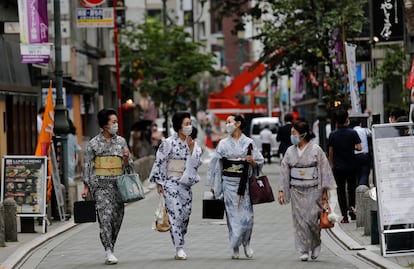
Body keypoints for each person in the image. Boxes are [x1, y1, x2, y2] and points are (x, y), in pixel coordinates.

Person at [206, 114, 264, 259]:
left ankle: (247, 243)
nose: (227, 125)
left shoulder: (249, 142)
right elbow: (214, 163)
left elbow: (259, 161)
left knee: (248, 218)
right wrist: (213, 184)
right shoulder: (223, 143)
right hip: (228, 184)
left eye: (229, 122)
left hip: (244, 185)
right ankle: (235, 248)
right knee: (232, 219)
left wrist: (252, 161)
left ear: (238, 124)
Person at [278, 120, 337, 261]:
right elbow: (284, 171)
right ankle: (303, 249)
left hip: (313, 189)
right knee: (299, 221)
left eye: (294, 133)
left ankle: (316, 243)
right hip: (296, 190)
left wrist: (324, 191)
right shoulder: (289, 151)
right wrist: (282, 190)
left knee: (311, 220)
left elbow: (324, 169)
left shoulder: (316, 150)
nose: (291, 135)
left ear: (303, 134)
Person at [81, 108, 133, 265]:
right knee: (105, 217)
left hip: (119, 185)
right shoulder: (93, 144)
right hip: (101, 186)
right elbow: (88, 165)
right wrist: (86, 187)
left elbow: (129, 166)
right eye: (113, 122)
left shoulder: (121, 142)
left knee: (117, 218)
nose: (116, 125)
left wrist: (126, 159)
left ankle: (111, 245)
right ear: (104, 125)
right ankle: (108, 250)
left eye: (116, 122)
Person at [148, 112, 202, 260]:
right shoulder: (168, 143)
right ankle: (179, 248)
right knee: (175, 214)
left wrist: (191, 150)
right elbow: (159, 162)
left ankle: (180, 239)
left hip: (185, 185)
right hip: (170, 183)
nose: (189, 126)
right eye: (186, 124)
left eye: (190, 123)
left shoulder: (193, 144)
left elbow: (197, 164)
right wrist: (159, 183)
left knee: (185, 215)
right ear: (179, 126)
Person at [328, 110, 362, 223]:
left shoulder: (332, 134)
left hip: (338, 167)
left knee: (341, 191)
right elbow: (359, 147)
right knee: (351, 189)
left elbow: (331, 152)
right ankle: (352, 210)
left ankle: (344, 216)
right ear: (347, 119)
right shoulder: (352, 133)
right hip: (351, 165)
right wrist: (352, 147)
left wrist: (332, 164)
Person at [352, 118, 371, 186]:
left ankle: (358, 187)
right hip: (364, 155)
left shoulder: (351, 131)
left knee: (356, 174)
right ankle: (362, 187)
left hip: (354, 156)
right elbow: (371, 135)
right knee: (364, 173)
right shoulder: (365, 130)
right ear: (360, 123)